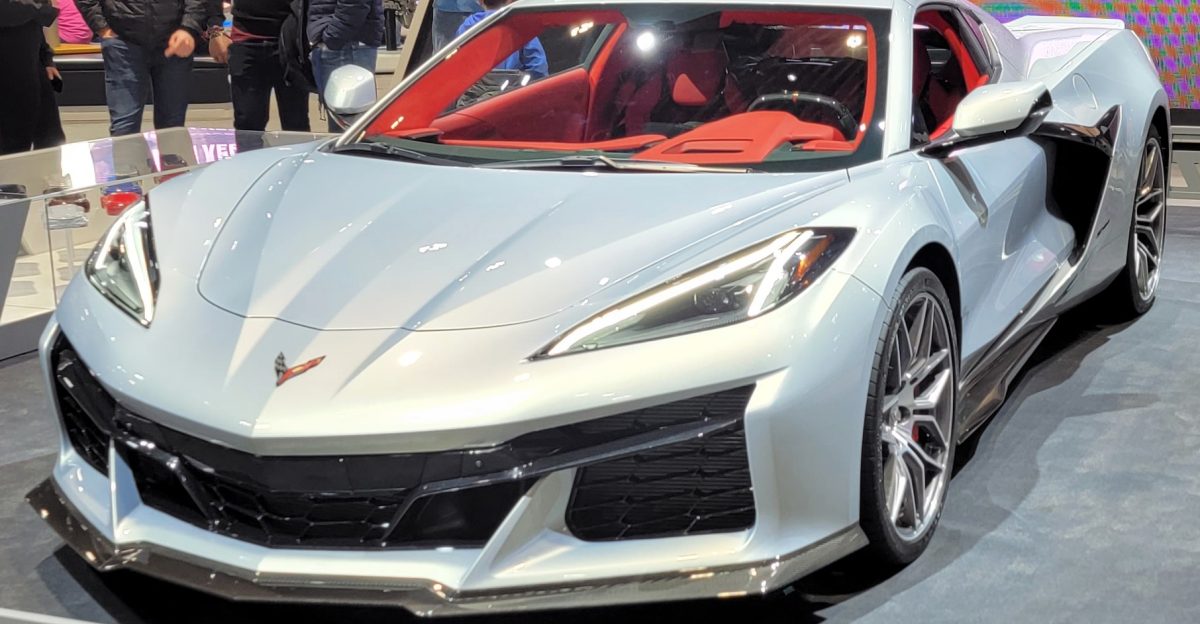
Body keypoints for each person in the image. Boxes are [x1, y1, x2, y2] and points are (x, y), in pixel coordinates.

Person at [75, 0, 209, 135]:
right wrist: (101, 27)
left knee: (172, 125)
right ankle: (127, 157)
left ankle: (170, 156)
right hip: (122, 41)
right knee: (124, 125)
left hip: (174, 38)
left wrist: (188, 27)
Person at [205, 0, 310, 132]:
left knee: (297, 124)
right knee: (247, 123)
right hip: (246, 41)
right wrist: (215, 30)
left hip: (290, 40)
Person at [0, 0, 67, 154]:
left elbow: (34, 27)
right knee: (13, 141)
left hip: (32, 63)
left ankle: (48, 174)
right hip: (8, 66)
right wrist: (41, 10)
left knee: (50, 137)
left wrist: (46, 58)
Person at [308, 0, 382, 132]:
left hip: (345, 45)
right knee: (343, 128)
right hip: (341, 42)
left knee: (347, 130)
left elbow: (355, 4)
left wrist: (332, 37)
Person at [455, 0, 546, 79]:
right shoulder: (520, 25)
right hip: (510, 91)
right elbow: (537, 66)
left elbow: (458, 65)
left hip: (474, 92)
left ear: (480, 1)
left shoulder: (468, 26)